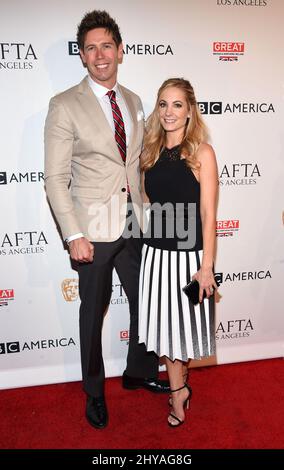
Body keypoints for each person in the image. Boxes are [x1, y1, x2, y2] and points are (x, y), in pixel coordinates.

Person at [44, 10, 169, 430]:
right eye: (90, 48)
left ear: (120, 50)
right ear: (81, 56)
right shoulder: (64, 105)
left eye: (107, 46)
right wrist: (73, 234)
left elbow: (136, 166)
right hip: (92, 232)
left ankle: (138, 370)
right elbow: (55, 179)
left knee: (147, 304)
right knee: (91, 314)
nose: (100, 55)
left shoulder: (134, 101)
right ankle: (94, 392)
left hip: (136, 224)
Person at [139, 78, 218, 427]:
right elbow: (146, 201)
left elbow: (208, 215)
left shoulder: (202, 153)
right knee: (165, 334)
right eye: (163, 104)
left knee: (180, 333)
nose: (169, 112)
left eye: (177, 105)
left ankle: (178, 391)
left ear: (189, 111)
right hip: (155, 256)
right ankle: (178, 390)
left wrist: (206, 267)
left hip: (188, 258)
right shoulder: (150, 151)